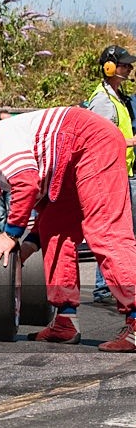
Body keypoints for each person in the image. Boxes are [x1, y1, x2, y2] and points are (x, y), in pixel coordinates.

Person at [0, 106, 136, 352]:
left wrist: (10, 235)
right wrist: (28, 244)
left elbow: (26, 184)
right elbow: (45, 207)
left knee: (104, 229)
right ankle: (65, 321)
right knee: (54, 228)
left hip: (89, 140)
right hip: (70, 156)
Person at [86, 45, 136, 303]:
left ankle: (110, 285)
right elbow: (98, 139)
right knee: (114, 233)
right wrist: (131, 142)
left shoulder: (117, 96)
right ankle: (104, 287)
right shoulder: (103, 100)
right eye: (124, 64)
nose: (129, 68)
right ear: (109, 67)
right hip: (112, 174)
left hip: (122, 172)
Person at [0, 111, 13, 232]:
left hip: (11, 181)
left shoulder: (14, 136)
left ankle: (12, 237)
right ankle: (1, 235)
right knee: (0, 215)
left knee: (12, 211)